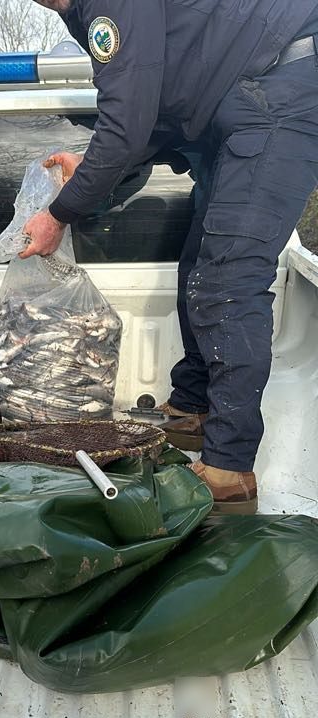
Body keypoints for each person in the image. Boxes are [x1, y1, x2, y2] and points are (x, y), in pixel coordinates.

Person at [22, 0, 318, 513]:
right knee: (200, 265)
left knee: (227, 279)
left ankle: (228, 469)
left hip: (283, 83)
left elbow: (128, 128)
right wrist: (92, 161)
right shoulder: (87, 13)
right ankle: (194, 406)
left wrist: (58, 214)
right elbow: (151, 118)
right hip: (237, 102)